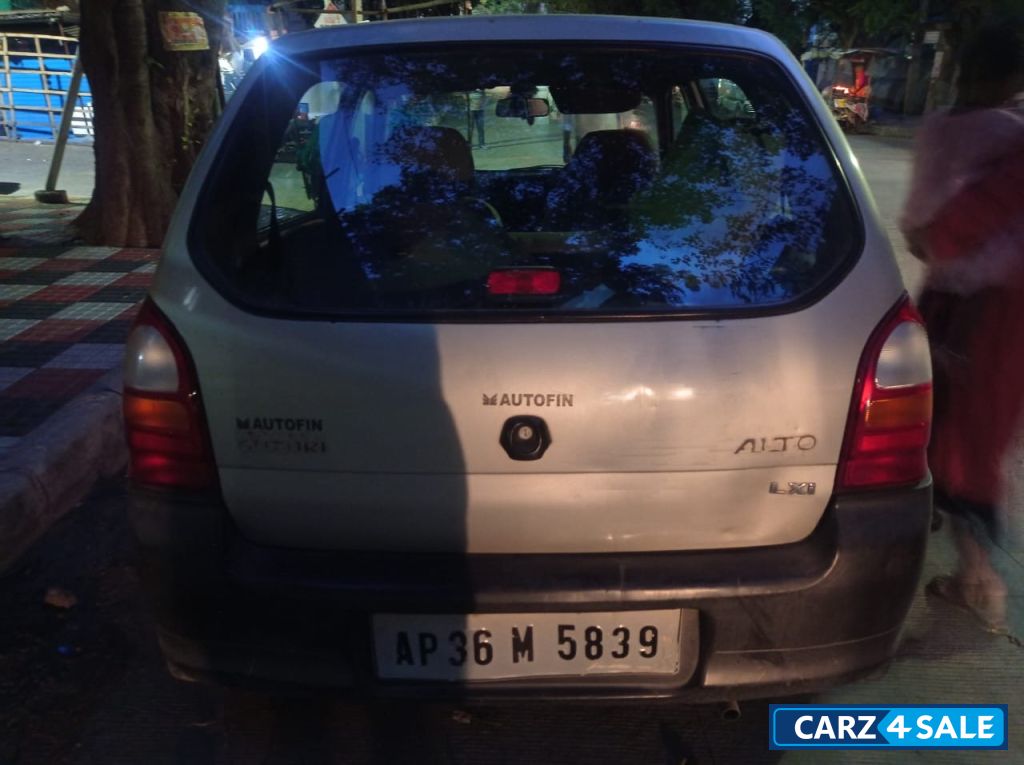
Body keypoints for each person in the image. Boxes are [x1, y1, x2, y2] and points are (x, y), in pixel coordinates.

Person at [901, 23, 1024, 634]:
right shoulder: (1002, 133)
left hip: (987, 313)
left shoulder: (984, 134)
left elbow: (936, 225)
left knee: (960, 442)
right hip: (972, 306)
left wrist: (932, 237)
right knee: (950, 435)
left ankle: (981, 581)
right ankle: (974, 574)